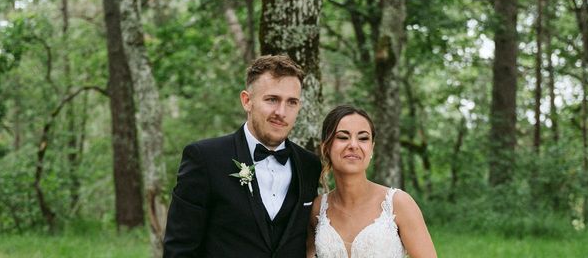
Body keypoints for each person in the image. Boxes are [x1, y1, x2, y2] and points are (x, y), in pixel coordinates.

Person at [163, 55, 322, 258]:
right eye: (272, 99)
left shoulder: (309, 165)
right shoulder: (205, 159)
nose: (281, 112)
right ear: (247, 101)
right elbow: (179, 249)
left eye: (291, 102)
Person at [307, 105, 437, 258]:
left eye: (363, 138)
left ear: (371, 149)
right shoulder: (317, 209)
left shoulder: (398, 203)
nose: (354, 145)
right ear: (326, 148)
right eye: (343, 137)